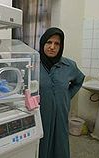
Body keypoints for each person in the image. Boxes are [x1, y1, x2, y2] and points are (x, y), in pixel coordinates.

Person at [38, 27, 85, 158]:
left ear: (61, 46)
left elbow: (79, 80)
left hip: (61, 113)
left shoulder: (69, 66)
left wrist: (67, 96)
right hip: (41, 114)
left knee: (60, 144)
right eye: (49, 42)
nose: (52, 47)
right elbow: (15, 78)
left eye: (57, 43)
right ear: (42, 44)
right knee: (41, 142)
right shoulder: (34, 63)